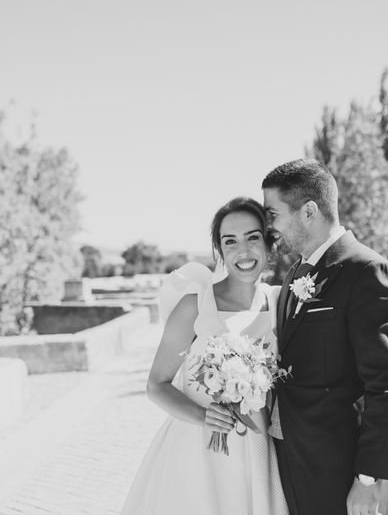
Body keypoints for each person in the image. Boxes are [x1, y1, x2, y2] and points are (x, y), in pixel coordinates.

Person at [262, 159, 388, 515]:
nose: (269, 228)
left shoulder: (368, 271)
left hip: (340, 467)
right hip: (293, 457)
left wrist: (368, 479)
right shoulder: (294, 273)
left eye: (273, 215)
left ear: (309, 211)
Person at [121, 197, 289, 515]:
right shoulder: (195, 304)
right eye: (230, 241)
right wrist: (204, 417)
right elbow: (157, 384)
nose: (243, 251)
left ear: (268, 242)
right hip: (195, 451)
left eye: (253, 237)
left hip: (257, 450)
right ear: (220, 250)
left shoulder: (279, 302)